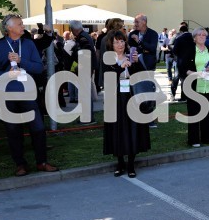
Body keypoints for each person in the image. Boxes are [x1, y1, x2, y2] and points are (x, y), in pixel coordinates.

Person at [0, 14, 59, 177]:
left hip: (28, 93)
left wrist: (21, 60)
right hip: (7, 95)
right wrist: (6, 75)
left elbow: (39, 68)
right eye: (19, 24)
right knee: (13, 131)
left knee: (38, 129)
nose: (22, 26)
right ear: (8, 28)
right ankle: (20, 164)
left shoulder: (28, 44)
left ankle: (42, 162)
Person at [103, 30, 151, 178]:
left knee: (133, 129)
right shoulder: (108, 59)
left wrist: (135, 63)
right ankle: (119, 163)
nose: (120, 44)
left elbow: (143, 76)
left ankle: (131, 164)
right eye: (116, 42)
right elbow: (106, 78)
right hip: (116, 99)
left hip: (132, 97)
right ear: (111, 44)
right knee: (117, 129)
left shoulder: (131, 56)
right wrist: (121, 67)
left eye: (122, 41)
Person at [185, 27, 209, 147]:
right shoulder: (189, 50)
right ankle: (194, 139)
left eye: (204, 35)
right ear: (194, 38)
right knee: (194, 113)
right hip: (194, 87)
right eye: (199, 35)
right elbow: (184, 69)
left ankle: (208, 137)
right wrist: (197, 74)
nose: (202, 37)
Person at [128, 14, 160, 127]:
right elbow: (131, 49)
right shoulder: (132, 34)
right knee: (136, 91)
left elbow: (152, 48)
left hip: (148, 67)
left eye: (137, 22)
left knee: (149, 92)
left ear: (144, 22)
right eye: (134, 22)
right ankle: (138, 117)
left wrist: (140, 42)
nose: (134, 24)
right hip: (135, 68)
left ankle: (149, 118)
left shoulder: (153, 33)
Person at [68, 20, 97, 125]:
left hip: (85, 68)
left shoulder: (82, 38)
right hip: (87, 67)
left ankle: (87, 118)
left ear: (73, 29)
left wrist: (79, 64)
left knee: (84, 93)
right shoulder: (85, 35)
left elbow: (86, 52)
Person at [171, 23, 194, 102]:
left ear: (181, 31)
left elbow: (174, 51)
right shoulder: (193, 38)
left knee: (181, 78)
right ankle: (186, 96)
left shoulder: (179, 38)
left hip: (181, 61)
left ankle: (180, 97)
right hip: (191, 61)